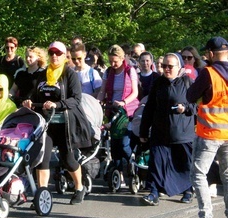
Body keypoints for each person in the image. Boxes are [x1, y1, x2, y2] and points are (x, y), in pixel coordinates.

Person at [23, 41, 92, 205]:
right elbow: (36, 94)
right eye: (51, 53)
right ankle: (42, 195)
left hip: (65, 124)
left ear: (64, 56)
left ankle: (79, 187)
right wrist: (30, 102)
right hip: (47, 124)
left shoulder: (69, 74)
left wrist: (57, 105)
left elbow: (76, 99)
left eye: (58, 53)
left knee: (68, 159)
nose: (54, 56)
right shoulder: (43, 74)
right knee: (42, 159)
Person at [184, 36, 228, 218]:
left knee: (198, 174)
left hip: (210, 132)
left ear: (211, 53)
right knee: (227, 176)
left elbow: (190, 96)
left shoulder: (208, 73)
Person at [140, 53, 196, 206]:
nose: (166, 69)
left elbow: (197, 106)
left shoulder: (187, 82)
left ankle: (188, 190)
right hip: (160, 132)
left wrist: (185, 108)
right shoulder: (158, 83)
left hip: (182, 133)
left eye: (170, 66)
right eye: (164, 66)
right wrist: (143, 131)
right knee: (157, 162)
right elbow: (150, 107)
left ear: (179, 67)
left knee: (183, 164)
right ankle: (154, 192)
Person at [97, 44, 139, 180]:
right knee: (114, 143)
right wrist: (98, 102)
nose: (113, 64)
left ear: (122, 59)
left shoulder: (129, 71)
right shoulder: (108, 72)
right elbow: (102, 90)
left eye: (115, 61)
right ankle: (118, 171)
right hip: (113, 110)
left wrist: (124, 102)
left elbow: (135, 92)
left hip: (127, 111)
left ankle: (132, 161)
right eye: (110, 61)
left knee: (124, 142)